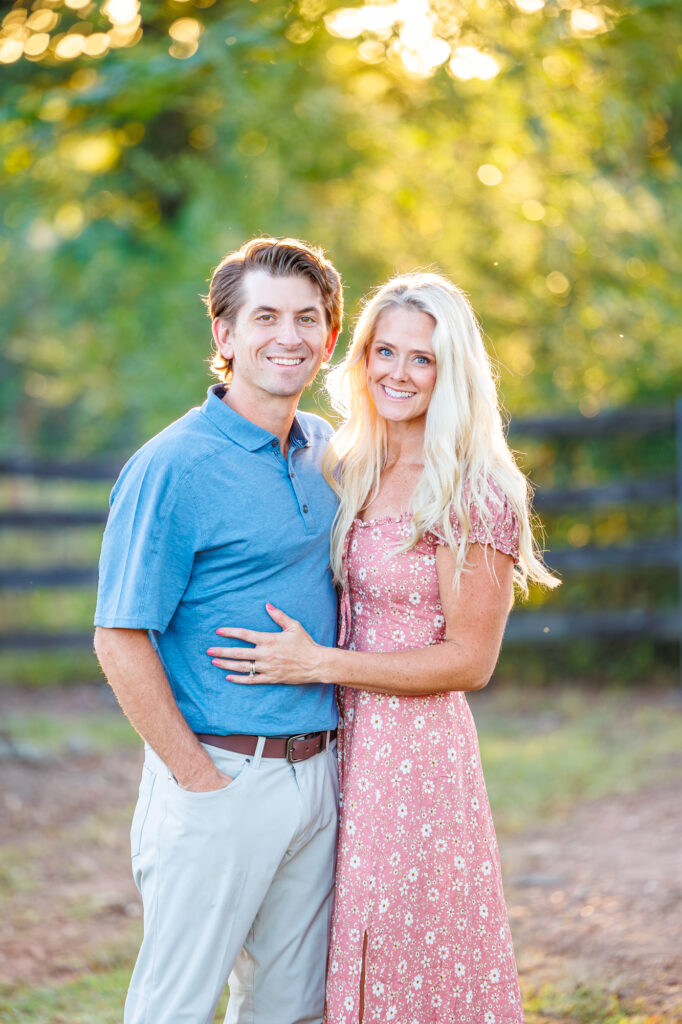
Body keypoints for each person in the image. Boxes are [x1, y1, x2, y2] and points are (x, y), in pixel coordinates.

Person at [207, 272, 559, 1024]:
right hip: (333, 745)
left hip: (414, 760)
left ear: (452, 370)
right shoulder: (348, 466)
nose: (399, 372)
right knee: (324, 948)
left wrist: (320, 664)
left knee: (406, 948)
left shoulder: (473, 488)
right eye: (385, 351)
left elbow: (471, 660)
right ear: (360, 357)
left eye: (422, 359)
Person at [93, 237, 344, 1024]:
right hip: (221, 775)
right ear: (224, 337)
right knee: (175, 1007)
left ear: (329, 338)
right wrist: (197, 780)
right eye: (264, 315)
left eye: (308, 318)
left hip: (319, 776)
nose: (289, 336)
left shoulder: (330, 454)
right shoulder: (174, 465)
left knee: (288, 1010)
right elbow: (119, 636)